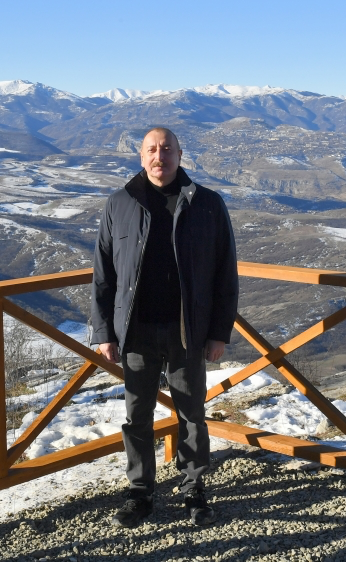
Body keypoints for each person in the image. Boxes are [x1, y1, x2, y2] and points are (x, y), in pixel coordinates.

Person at [91, 127, 238, 528]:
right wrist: (104, 332)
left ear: (179, 155)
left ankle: (194, 488)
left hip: (187, 332)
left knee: (192, 414)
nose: (160, 156)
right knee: (137, 417)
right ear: (141, 157)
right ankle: (140, 493)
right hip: (136, 332)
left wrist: (219, 332)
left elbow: (226, 273)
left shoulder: (207, 203)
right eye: (152, 150)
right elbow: (103, 275)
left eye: (167, 149)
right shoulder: (119, 203)